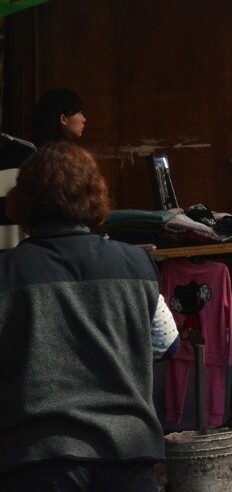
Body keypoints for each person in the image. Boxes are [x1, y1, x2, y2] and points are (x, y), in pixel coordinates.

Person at [0, 142, 180, 492]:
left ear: (23, 202)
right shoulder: (134, 264)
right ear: (94, 198)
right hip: (128, 456)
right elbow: (167, 345)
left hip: (38, 461)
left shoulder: (6, 274)